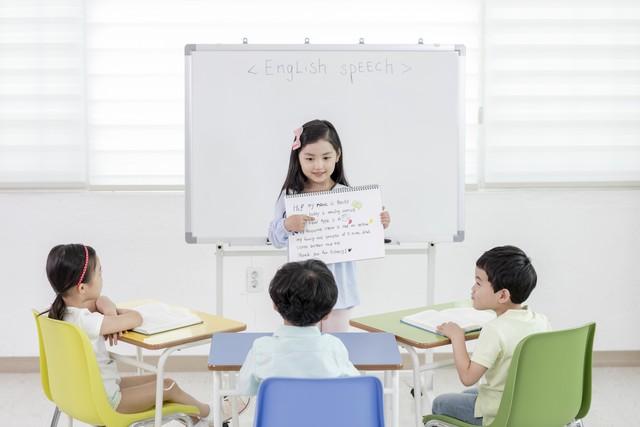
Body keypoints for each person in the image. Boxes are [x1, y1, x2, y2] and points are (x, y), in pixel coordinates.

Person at [42, 243, 221, 426]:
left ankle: (197, 421)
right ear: (82, 288)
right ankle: (212, 414)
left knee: (159, 380)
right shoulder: (88, 321)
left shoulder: (57, 314)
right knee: (168, 387)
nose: (102, 278)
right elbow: (136, 318)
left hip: (76, 397)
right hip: (107, 401)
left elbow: (101, 303)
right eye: (99, 273)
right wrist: (110, 313)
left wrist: (107, 307)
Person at [268, 119, 391, 332]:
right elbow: (275, 239)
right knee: (302, 347)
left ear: (338, 156)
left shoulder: (349, 196)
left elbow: (365, 237)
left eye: (326, 157)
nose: (319, 166)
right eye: (310, 158)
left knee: (337, 346)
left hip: (339, 292)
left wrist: (379, 223)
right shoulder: (290, 197)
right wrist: (287, 225)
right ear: (298, 158)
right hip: (301, 292)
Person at [431, 245, 551, 426]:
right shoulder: (540, 320)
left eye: (478, 283)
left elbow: (467, 377)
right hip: (531, 406)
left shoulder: (495, 330)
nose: (472, 289)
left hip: (501, 415)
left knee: (440, 403)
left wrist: (457, 337)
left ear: (502, 295)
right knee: (469, 395)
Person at [236, 259, 360, 396]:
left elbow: (244, 390)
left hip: (277, 418)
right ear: (328, 313)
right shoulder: (334, 348)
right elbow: (356, 387)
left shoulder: (261, 349)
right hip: (324, 417)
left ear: (275, 305)